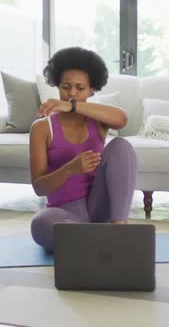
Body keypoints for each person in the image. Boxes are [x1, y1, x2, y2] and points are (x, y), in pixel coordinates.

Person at [29, 47, 137, 251]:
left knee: (121, 146)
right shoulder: (42, 128)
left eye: (80, 88)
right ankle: (95, 240)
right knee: (40, 225)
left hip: (98, 207)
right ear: (56, 86)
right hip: (64, 213)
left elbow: (122, 119)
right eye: (66, 87)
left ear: (91, 90)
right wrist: (70, 168)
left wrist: (73, 106)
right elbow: (39, 187)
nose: (71, 93)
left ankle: (119, 231)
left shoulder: (97, 120)